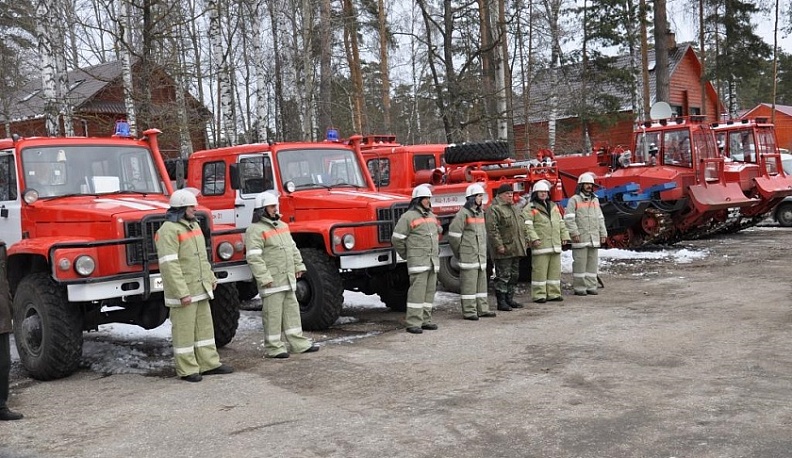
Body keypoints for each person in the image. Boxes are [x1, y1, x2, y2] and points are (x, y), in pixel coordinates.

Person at [155, 188, 234, 382]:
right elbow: (169, 266)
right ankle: (187, 369)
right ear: (181, 208)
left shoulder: (194, 226)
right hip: (184, 293)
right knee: (184, 331)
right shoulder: (168, 231)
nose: (194, 210)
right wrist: (181, 292)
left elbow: (202, 258)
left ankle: (209, 363)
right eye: (191, 207)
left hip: (200, 288)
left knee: (204, 329)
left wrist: (210, 279)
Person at [245, 191, 319, 358]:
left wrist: (299, 265)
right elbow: (253, 257)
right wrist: (264, 278)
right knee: (273, 315)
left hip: (286, 278)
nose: (275, 209)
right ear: (261, 209)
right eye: (271, 206)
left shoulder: (283, 226)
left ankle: (297, 343)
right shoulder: (255, 230)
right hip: (271, 281)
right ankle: (274, 347)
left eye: (275, 206)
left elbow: (292, 248)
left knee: (292, 312)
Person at [391, 184, 441, 334]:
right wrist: (408, 255)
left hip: (432, 262)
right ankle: (413, 322)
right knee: (416, 294)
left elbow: (436, 233)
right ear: (417, 200)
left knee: (429, 293)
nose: (428, 201)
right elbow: (397, 239)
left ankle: (426, 320)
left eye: (429, 198)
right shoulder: (408, 217)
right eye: (425, 198)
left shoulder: (431, 216)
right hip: (418, 262)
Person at [447, 183, 496, 321]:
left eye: (481, 196)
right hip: (469, 256)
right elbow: (454, 235)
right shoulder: (463, 214)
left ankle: (482, 309)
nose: (481, 198)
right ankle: (469, 311)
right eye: (479, 196)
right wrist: (460, 252)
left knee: (481, 285)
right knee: (469, 286)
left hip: (480, 256)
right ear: (471, 198)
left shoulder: (480, 212)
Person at [523, 180, 570, 303]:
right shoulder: (530, 208)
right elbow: (527, 225)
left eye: (545, 192)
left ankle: (554, 293)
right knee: (540, 272)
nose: (543, 194)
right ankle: (539, 294)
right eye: (541, 192)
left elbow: (560, 222)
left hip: (554, 244)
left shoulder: (553, 206)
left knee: (554, 272)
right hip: (541, 245)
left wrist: (564, 235)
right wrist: (534, 239)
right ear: (535, 193)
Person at [485, 183, 527, 311]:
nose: (510, 196)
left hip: (515, 247)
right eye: (507, 194)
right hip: (504, 249)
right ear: (500, 195)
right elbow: (492, 230)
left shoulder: (514, 208)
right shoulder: (494, 209)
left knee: (514, 275)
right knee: (503, 275)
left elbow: (521, 226)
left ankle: (509, 299)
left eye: (511, 193)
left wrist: (525, 241)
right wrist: (499, 245)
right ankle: (501, 302)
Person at [564, 173, 608, 296]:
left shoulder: (595, 200)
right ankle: (580, 288)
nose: (589, 186)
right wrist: (574, 233)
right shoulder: (574, 200)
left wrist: (603, 233)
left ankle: (591, 286)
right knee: (580, 264)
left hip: (593, 238)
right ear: (581, 185)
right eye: (586, 184)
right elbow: (569, 218)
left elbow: (600, 218)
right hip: (580, 238)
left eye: (590, 184)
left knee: (592, 265)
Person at [0, 243, 22, 421]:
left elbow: (4, 281)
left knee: (3, 363)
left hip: (1, 315)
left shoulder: (1, 248)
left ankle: (0, 406)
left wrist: (9, 304)